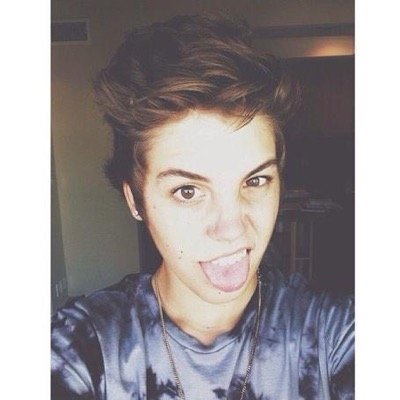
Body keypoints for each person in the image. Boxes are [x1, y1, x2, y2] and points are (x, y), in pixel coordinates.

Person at [51, 14, 354, 400]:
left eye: (255, 180)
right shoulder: (81, 348)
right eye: (188, 191)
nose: (232, 229)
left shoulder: (334, 333)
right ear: (135, 201)